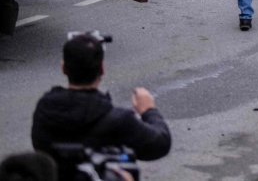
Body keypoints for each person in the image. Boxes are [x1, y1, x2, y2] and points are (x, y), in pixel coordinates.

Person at [31, 33, 171, 181]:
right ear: (102, 69)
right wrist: (149, 110)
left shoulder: (44, 110)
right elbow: (160, 144)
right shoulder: (119, 120)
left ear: (63, 67)